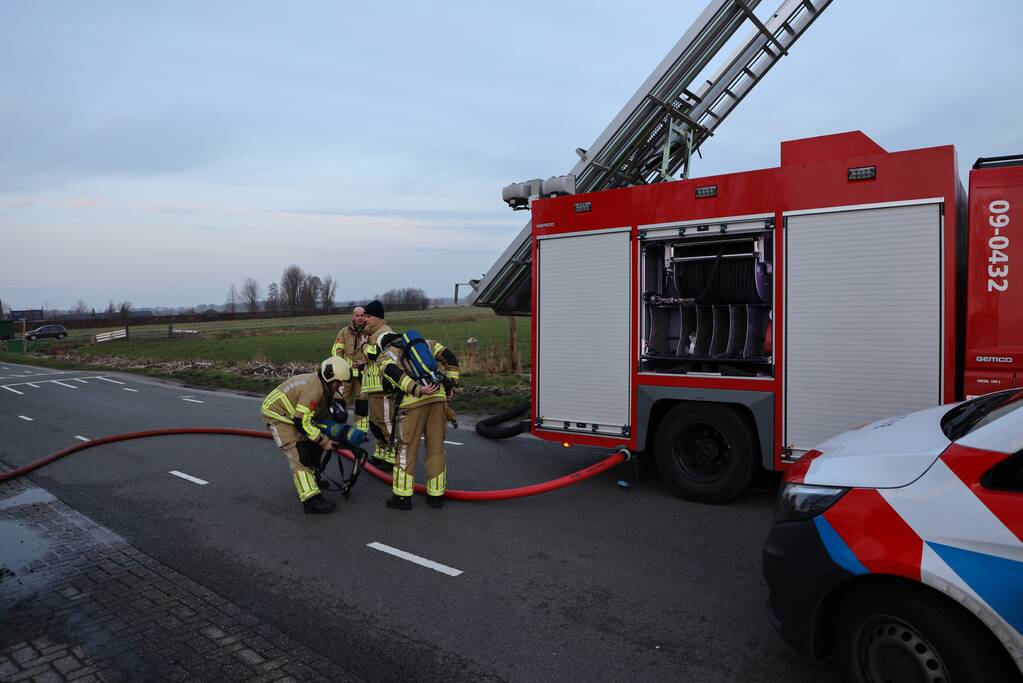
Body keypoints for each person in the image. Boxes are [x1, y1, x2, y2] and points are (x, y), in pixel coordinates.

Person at [379, 333, 460, 510]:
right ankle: (436, 495)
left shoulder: (386, 354)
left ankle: (402, 497)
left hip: (411, 405)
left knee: (406, 451)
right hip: (438, 400)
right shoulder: (426, 343)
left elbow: (393, 373)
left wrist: (417, 389)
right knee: (436, 449)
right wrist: (451, 384)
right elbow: (449, 356)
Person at [260, 356, 350, 514]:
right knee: (299, 457)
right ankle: (311, 501)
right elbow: (302, 422)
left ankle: (313, 479)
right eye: (339, 382)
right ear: (330, 377)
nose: (340, 385)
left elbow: (317, 416)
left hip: (294, 417)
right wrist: (323, 441)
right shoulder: (313, 390)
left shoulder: (323, 386)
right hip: (277, 416)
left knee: (310, 447)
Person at [353, 299, 396, 470]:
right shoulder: (373, 334)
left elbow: (375, 355)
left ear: (377, 317)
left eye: (368, 316)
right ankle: (381, 452)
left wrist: (364, 346)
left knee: (385, 423)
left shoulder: (385, 334)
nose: (365, 319)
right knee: (375, 423)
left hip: (383, 387)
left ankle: (393, 455)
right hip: (372, 387)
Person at [331, 306, 368, 408]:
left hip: (362, 375)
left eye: (362, 315)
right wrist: (343, 367)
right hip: (346, 375)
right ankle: (340, 423)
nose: (360, 318)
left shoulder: (370, 332)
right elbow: (337, 351)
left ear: (365, 316)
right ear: (353, 317)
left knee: (362, 404)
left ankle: (360, 424)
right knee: (340, 401)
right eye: (357, 315)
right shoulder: (344, 332)